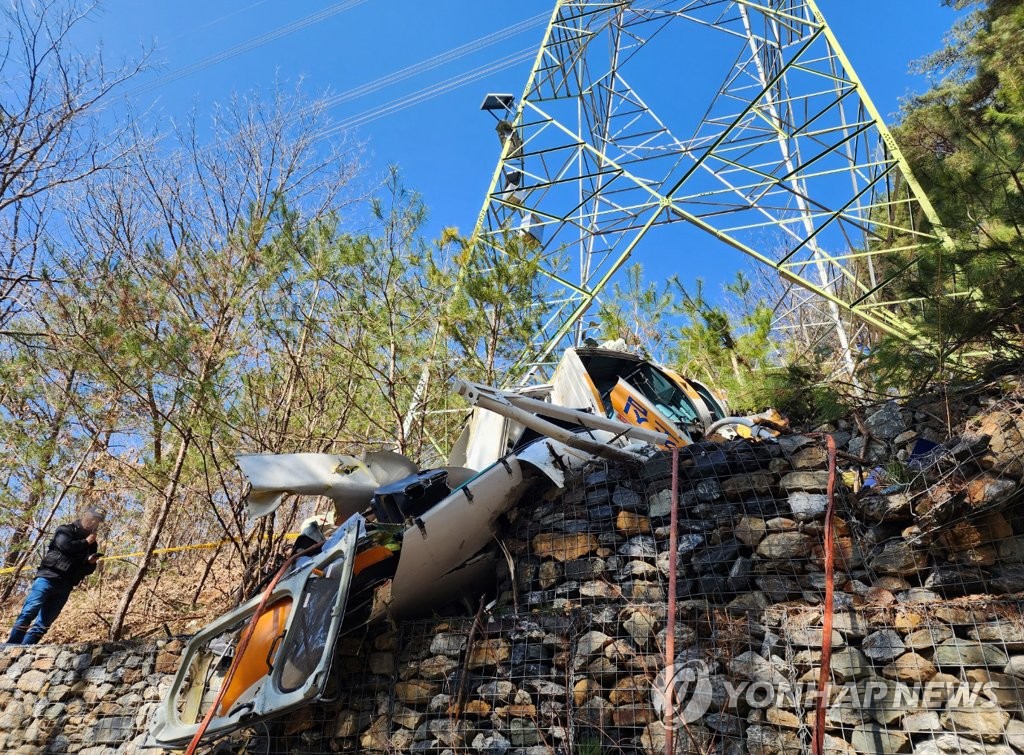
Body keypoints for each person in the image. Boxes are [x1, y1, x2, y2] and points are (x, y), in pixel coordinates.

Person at [6, 507, 105, 644]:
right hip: (48, 577)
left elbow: (88, 570)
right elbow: (65, 546)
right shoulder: (66, 529)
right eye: (92, 517)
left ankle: (23, 653)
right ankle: (11, 647)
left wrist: (90, 562)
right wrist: (86, 542)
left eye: (97, 521)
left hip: (66, 584)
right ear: (85, 515)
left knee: (44, 623)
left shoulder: (92, 544)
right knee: (28, 613)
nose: (93, 522)